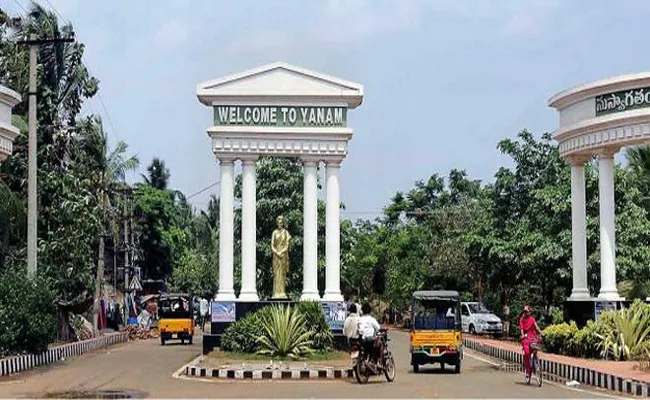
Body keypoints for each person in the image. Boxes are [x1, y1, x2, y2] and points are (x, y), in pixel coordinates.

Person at [519, 304, 542, 379]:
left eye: (527, 312)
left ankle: (536, 364)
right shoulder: (521, 319)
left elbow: (536, 327)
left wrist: (541, 333)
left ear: (530, 312)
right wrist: (522, 335)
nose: (526, 313)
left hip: (532, 337)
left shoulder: (532, 319)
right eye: (525, 312)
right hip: (525, 338)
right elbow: (522, 329)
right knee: (527, 353)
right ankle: (528, 371)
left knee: (535, 348)